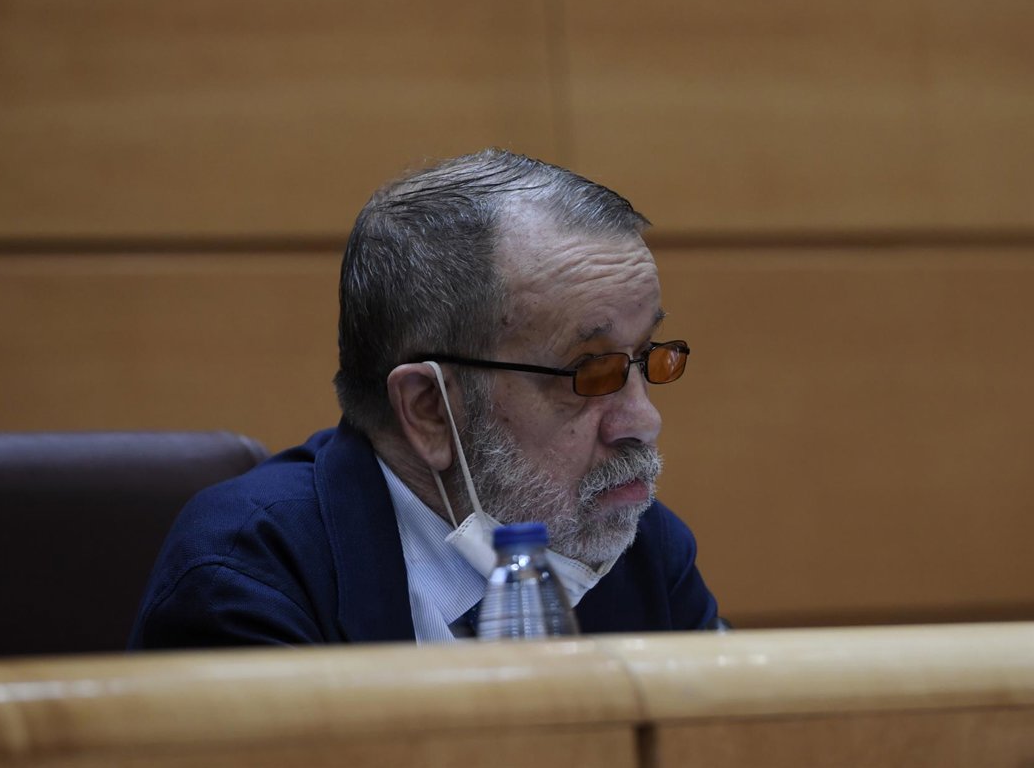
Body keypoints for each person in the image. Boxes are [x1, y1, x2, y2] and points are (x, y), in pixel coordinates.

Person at [130, 149, 719, 647]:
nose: (643, 421)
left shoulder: (635, 545)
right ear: (428, 409)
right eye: (588, 372)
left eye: (647, 357)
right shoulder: (248, 578)